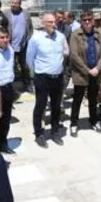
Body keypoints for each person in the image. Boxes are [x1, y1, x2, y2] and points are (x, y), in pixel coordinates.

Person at [27, 12, 67, 146]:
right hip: (42, 77)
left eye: (54, 21)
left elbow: (64, 54)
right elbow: (29, 59)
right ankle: (39, 133)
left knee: (56, 106)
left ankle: (55, 132)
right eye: (50, 22)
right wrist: (35, 74)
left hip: (58, 77)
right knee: (40, 105)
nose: (53, 24)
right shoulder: (36, 39)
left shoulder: (60, 37)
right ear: (43, 23)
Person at [68, 11, 101, 135]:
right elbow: (74, 55)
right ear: (81, 21)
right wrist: (87, 70)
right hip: (81, 73)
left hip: (95, 72)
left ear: (93, 20)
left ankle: (93, 120)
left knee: (93, 98)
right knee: (77, 99)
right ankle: (74, 123)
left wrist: (97, 68)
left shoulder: (98, 33)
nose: (87, 22)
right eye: (85, 20)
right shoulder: (75, 34)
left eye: (90, 19)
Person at [0, 28, 18, 153]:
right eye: (2, 37)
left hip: (8, 87)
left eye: (7, 37)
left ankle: (3, 143)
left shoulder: (10, 50)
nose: (5, 40)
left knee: (6, 118)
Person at [7, 0, 34, 86]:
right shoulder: (6, 14)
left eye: (15, 3)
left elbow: (30, 28)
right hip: (10, 45)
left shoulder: (26, 14)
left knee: (24, 65)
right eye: (12, 3)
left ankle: (27, 84)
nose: (13, 5)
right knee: (11, 65)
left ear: (20, 4)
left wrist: (28, 38)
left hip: (23, 45)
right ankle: (11, 84)